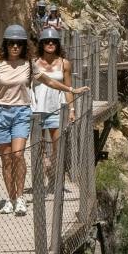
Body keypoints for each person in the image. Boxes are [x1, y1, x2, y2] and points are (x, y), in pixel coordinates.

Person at [0, 24, 36, 215]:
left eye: (19, 44)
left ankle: (21, 197)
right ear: (6, 45)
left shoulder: (30, 65)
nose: (15, 47)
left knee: (18, 155)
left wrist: (69, 90)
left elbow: (47, 80)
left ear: (24, 46)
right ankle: (10, 198)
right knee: (6, 159)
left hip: (21, 112)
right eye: (11, 43)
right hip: (0, 112)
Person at [30, 25, 86, 179]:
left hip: (56, 109)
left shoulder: (64, 63)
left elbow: (68, 88)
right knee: (38, 145)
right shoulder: (33, 63)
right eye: (47, 41)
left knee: (57, 144)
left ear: (57, 44)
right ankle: (44, 164)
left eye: (53, 41)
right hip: (36, 109)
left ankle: (54, 174)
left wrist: (72, 110)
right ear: (41, 43)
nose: (50, 44)